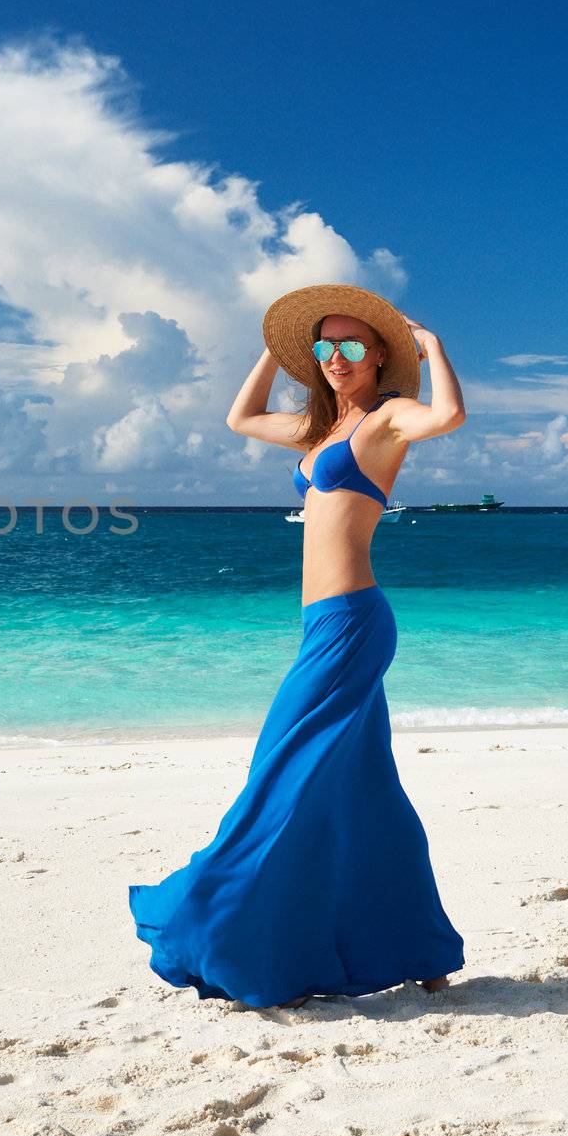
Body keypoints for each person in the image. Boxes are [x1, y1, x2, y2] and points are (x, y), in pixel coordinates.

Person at [128, 282, 467, 1010]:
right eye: (324, 347)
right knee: (367, 792)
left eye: (350, 345)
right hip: (323, 623)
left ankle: (214, 920)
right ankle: (422, 951)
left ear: (380, 354)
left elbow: (448, 414)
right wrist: (273, 350)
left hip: (352, 623)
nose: (336, 358)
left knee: (277, 774)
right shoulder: (320, 432)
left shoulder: (387, 421)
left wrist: (430, 347)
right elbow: (240, 416)